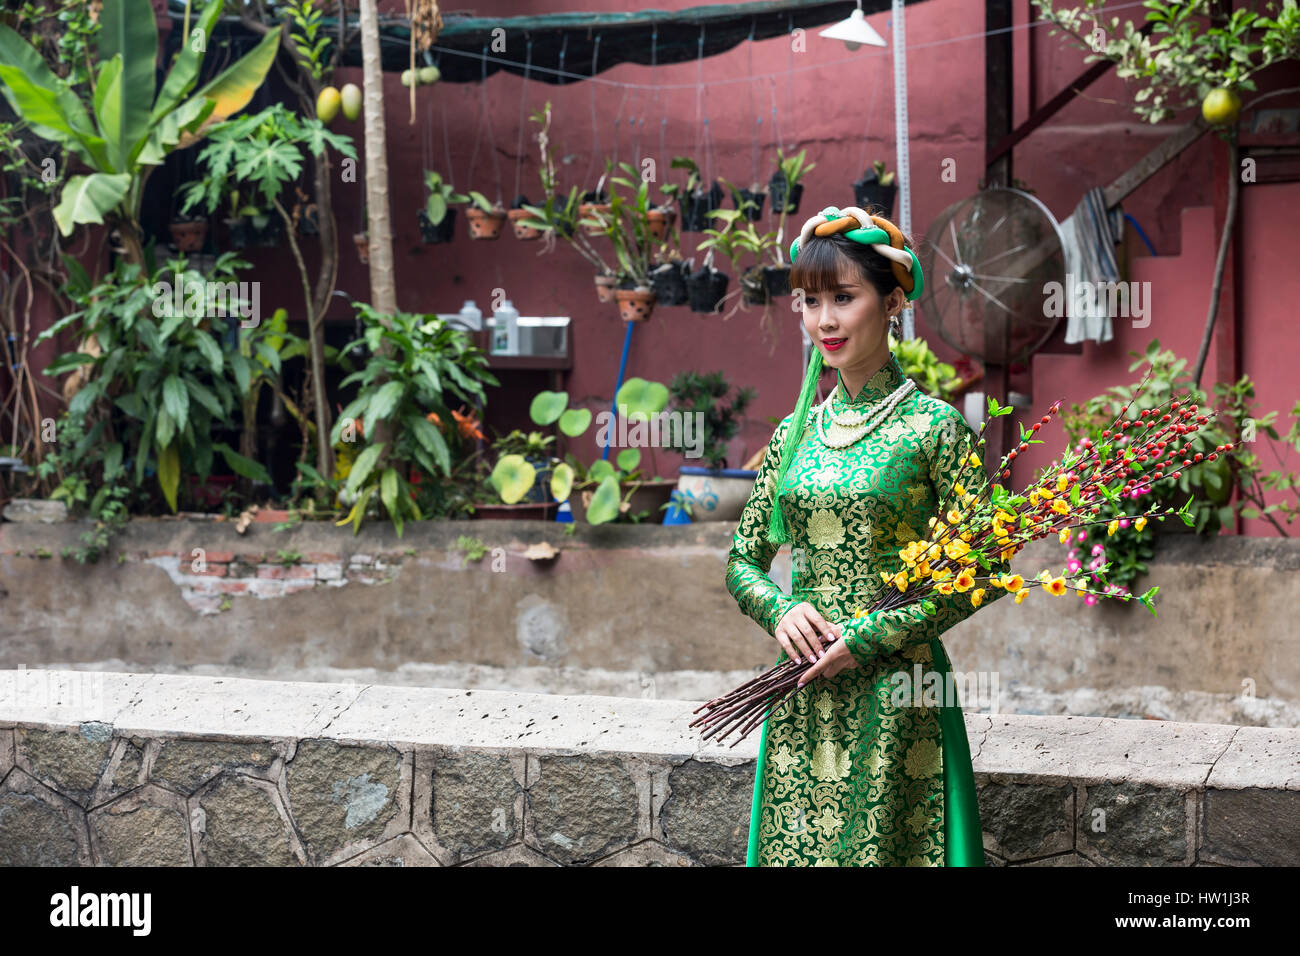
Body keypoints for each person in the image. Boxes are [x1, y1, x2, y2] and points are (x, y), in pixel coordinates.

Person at [725, 205, 1012, 866]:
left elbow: (988, 566)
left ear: (893, 303)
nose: (823, 320)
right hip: (801, 691)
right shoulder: (794, 433)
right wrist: (780, 608)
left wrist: (868, 637)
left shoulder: (933, 428)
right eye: (809, 302)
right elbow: (743, 559)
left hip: (898, 692)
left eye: (844, 299)